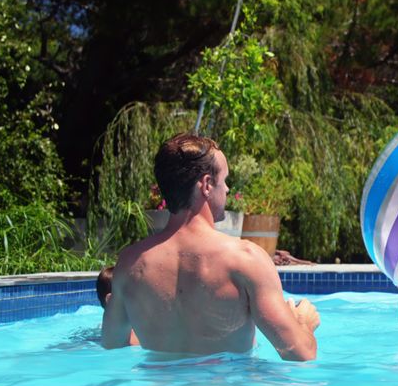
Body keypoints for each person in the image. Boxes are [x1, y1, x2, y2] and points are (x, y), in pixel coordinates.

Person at [102, 133, 319, 360]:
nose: (226, 190)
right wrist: (304, 323)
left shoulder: (130, 263)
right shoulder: (245, 259)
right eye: (224, 180)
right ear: (206, 185)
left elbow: (112, 343)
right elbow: (300, 354)